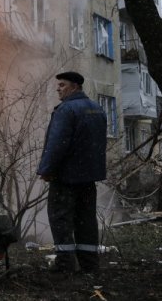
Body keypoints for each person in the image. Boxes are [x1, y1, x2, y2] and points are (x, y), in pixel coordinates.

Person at [37, 71, 107, 275]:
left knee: (61, 219)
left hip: (65, 178)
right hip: (88, 178)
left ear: (75, 87)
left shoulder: (66, 110)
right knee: (86, 220)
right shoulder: (97, 109)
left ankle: (65, 265)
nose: (58, 88)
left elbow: (57, 144)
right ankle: (90, 265)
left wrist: (47, 170)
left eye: (62, 85)